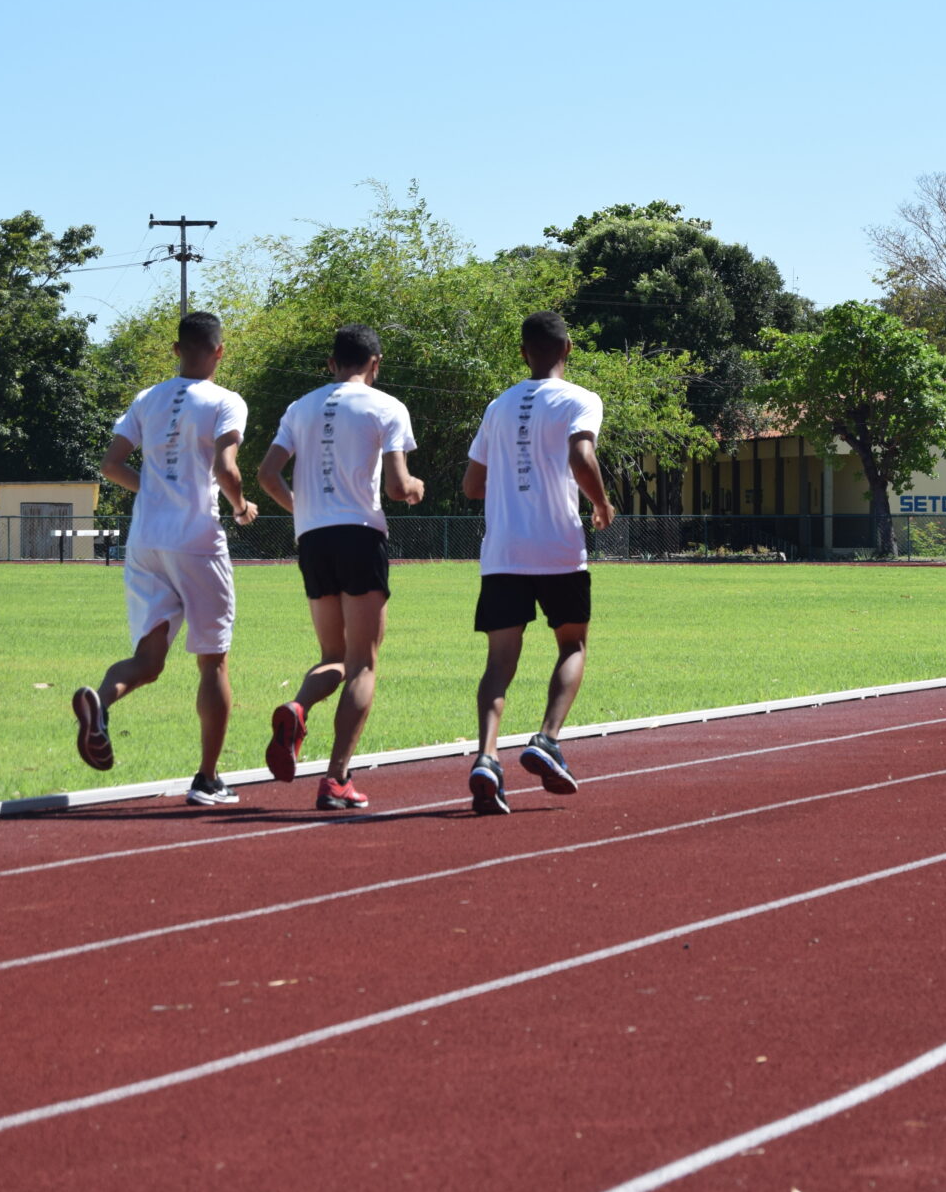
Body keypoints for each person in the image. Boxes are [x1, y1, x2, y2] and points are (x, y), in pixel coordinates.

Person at [72, 310, 258, 805]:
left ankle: (102, 702)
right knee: (212, 663)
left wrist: (154, 486)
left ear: (176, 350)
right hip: (196, 540)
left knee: (147, 660)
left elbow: (112, 464)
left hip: (146, 541)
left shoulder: (146, 399)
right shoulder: (226, 401)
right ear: (220, 351)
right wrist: (241, 509)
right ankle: (208, 778)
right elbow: (226, 468)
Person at [258, 323, 423, 810]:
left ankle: (299, 705)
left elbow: (267, 474)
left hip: (312, 539)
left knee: (333, 653)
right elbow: (396, 486)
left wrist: (304, 511)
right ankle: (336, 778)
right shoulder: (387, 406)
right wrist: (416, 488)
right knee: (364, 663)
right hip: (359, 535)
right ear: (375, 363)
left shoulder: (300, 407)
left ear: (332, 364)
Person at [462, 310, 614, 816]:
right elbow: (581, 455)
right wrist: (600, 502)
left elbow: (472, 485)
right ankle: (546, 739)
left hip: (503, 551)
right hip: (558, 549)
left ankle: (486, 757)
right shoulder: (580, 399)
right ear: (567, 348)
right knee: (572, 643)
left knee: (499, 663)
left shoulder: (497, 407)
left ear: (523, 350)